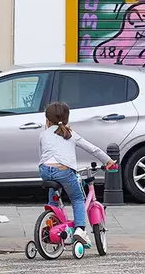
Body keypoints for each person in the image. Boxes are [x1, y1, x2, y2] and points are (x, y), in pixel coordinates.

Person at [38, 101, 116, 245]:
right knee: (77, 198)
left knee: (54, 194)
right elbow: (93, 149)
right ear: (66, 119)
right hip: (64, 170)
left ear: (47, 120)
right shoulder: (71, 134)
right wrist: (109, 161)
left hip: (45, 170)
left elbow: (42, 155)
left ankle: (51, 221)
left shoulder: (43, 135)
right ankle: (80, 229)